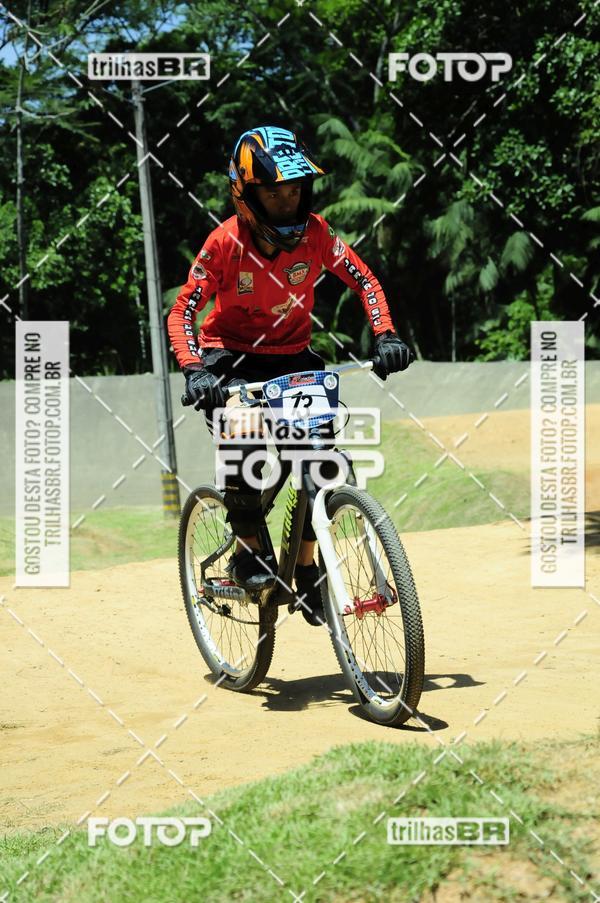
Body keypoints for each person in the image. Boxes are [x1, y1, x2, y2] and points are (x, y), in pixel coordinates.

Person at [167, 124, 412, 625]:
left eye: (295, 190)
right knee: (244, 434)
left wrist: (385, 334)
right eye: (274, 192)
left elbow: (363, 279)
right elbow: (182, 311)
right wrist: (194, 369)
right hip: (228, 357)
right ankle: (249, 553)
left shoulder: (318, 233)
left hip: (293, 356)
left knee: (321, 461)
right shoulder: (223, 244)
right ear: (245, 194)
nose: (286, 202)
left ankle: (306, 568)